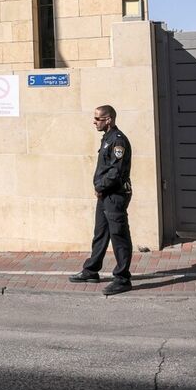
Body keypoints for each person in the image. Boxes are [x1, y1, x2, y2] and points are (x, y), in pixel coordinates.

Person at [69, 105, 134, 296]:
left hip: (115, 195)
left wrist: (100, 187)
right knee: (100, 233)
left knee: (119, 236)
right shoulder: (107, 138)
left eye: (98, 119)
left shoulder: (118, 140)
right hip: (105, 194)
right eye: (94, 118)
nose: (94, 121)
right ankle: (91, 270)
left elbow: (116, 171)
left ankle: (122, 278)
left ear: (109, 119)